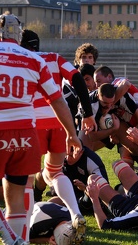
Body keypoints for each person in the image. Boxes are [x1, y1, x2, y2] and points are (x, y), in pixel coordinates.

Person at [0, 12, 82, 245]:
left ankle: (11, 239)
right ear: (20, 34)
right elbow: (58, 100)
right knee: (16, 199)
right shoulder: (35, 60)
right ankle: (16, 240)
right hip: (26, 136)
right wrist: (72, 135)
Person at [20, 29, 93, 244]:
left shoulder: (18, 60)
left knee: (25, 176)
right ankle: (75, 213)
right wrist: (87, 113)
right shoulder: (54, 58)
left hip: (32, 121)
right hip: (60, 121)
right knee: (54, 172)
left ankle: (21, 223)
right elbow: (77, 77)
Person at [34, 145, 109, 214]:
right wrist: (53, 185)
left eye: (71, 155)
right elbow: (49, 173)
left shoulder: (91, 160)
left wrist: (85, 188)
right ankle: (36, 198)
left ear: (81, 151)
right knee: (41, 174)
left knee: (52, 203)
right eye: (66, 153)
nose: (67, 157)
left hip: (86, 198)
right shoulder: (61, 155)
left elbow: (103, 188)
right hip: (67, 189)